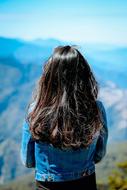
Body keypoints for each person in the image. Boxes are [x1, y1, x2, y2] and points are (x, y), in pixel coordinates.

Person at [20, 45, 108, 190]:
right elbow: (99, 155)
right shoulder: (96, 108)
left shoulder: (35, 110)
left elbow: (28, 161)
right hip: (86, 182)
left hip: (47, 184)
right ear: (84, 75)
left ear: (49, 77)